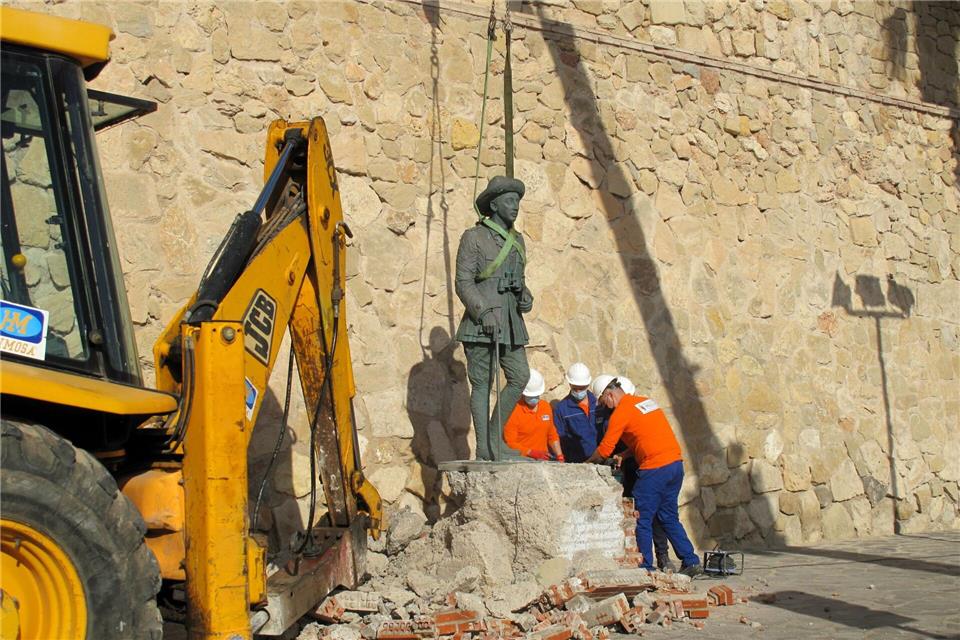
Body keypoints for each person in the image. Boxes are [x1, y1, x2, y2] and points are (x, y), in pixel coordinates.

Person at [586, 375, 701, 577]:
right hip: (674, 465)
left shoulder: (621, 413)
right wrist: (625, 454)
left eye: (604, 402)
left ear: (610, 394)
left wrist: (586, 464)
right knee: (668, 516)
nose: (606, 407)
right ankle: (690, 560)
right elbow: (647, 437)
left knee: (640, 517)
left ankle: (645, 567)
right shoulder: (645, 402)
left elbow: (604, 450)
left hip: (654, 469)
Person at [454, 176, 534, 461]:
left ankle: (495, 438)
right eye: (510, 201)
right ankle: (485, 448)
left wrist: (524, 296)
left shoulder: (518, 241)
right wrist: (483, 311)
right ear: (495, 204)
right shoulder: (473, 238)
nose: (515, 207)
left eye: (518, 201)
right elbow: (463, 282)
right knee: (482, 384)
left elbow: (520, 283)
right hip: (481, 324)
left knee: (520, 376)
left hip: (511, 323)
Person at [504, 369, 564, 461]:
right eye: (530, 396)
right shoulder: (513, 411)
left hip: (543, 460)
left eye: (536, 395)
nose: (534, 398)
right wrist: (530, 452)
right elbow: (510, 443)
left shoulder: (545, 407)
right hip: (522, 460)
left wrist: (559, 456)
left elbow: (552, 434)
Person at [552, 362, 598, 463]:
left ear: (587, 384)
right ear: (569, 384)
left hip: (601, 458)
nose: (578, 392)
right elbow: (558, 437)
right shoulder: (562, 409)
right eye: (574, 388)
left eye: (581, 388)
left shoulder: (598, 403)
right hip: (577, 462)